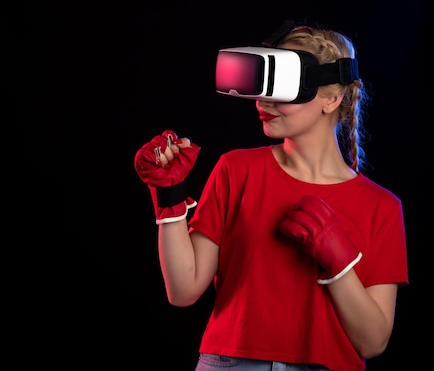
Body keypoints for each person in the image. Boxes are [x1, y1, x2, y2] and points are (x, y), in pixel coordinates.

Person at [133, 21, 409, 371]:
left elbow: (373, 342)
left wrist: (339, 263)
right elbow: (183, 290)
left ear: (331, 98)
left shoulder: (381, 207)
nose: (264, 101)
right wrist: (169, 197)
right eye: (265, 85)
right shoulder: (237, 169)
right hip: (230, 362)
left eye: (285, 88)